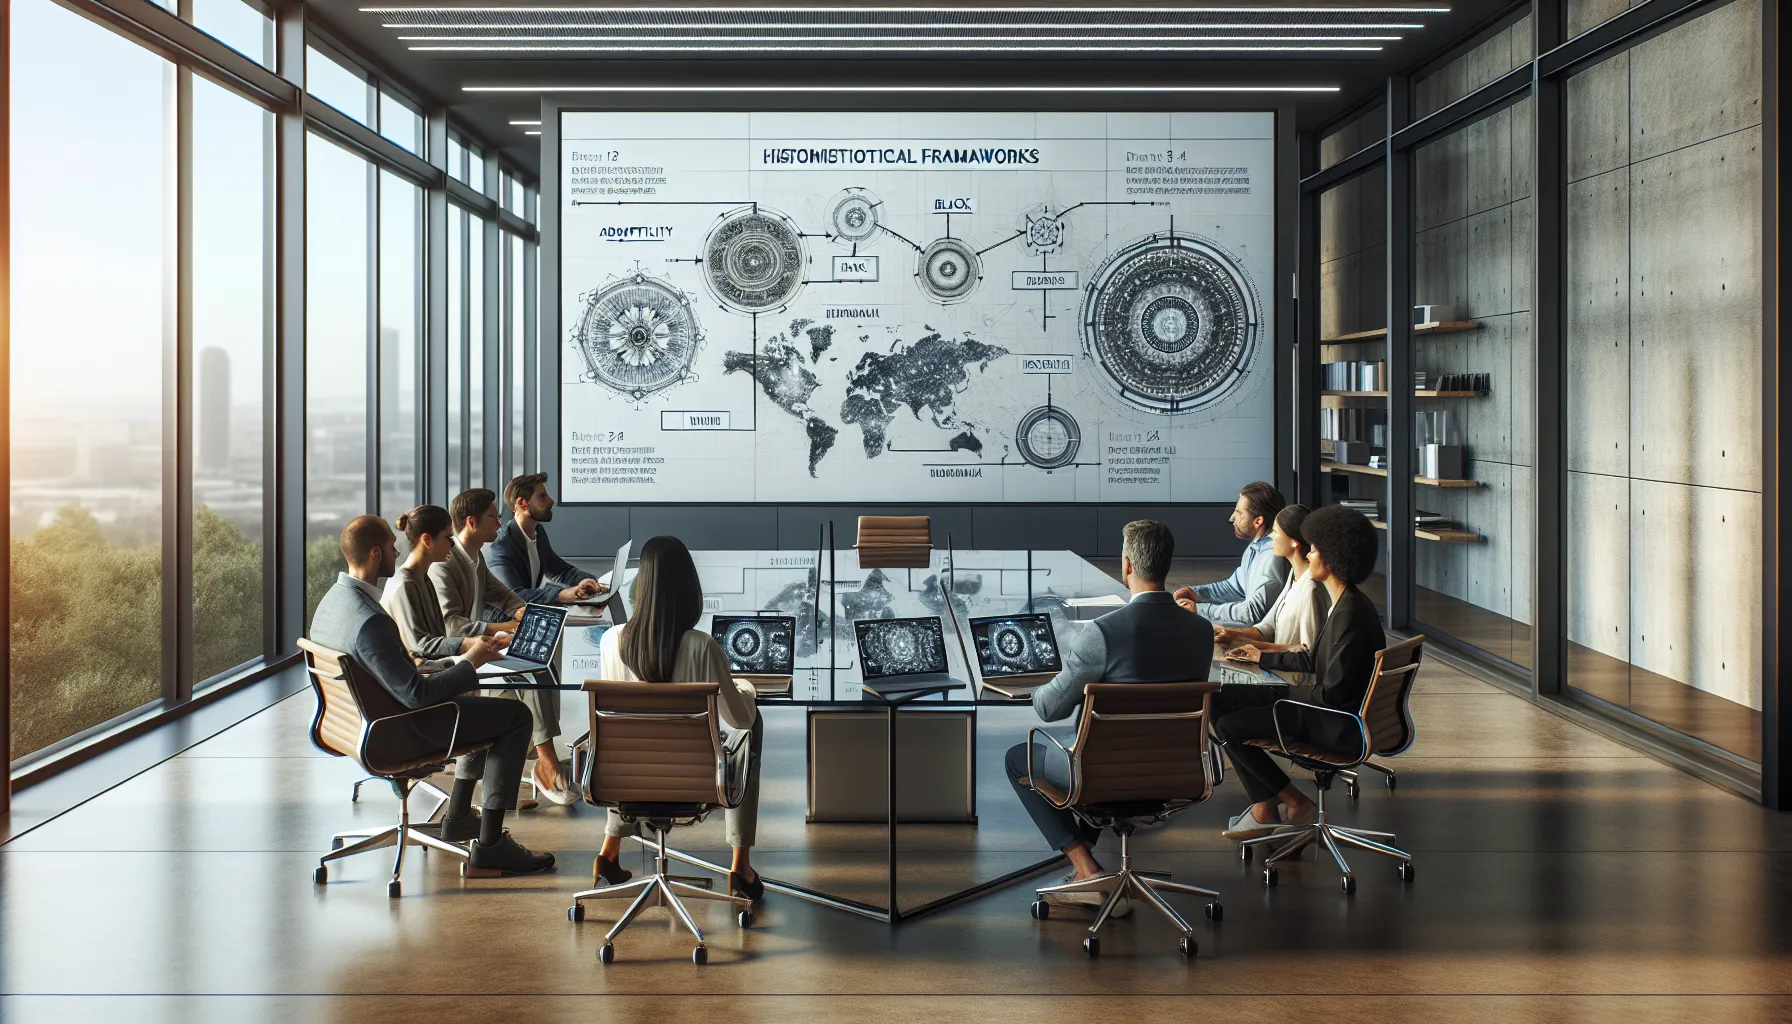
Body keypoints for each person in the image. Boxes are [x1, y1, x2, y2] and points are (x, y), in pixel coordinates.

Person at [308, 514, 555, 876]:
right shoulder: (370, 620)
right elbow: (417, 696)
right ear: (376, 554)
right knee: (516, 718)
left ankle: (457, 818)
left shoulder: (332, 603)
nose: (397, 550)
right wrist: (470, 661)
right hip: (395, 733)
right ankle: (490, 848)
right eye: (392, 547)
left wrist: (438, 665)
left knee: (482, 706)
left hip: (359, 726)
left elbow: (393, 674)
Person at [1004, 520, 1214, 917]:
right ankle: (1091, 870)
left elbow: (1050, 708)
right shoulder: (1201, 632)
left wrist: (1038, 684)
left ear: (1128, 566)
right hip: (1175, 775)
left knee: (1020, 757)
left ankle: (1086, 871)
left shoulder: (1102, 633)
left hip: (1106, 776)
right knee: (1093, 753)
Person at [590, 535, 766, 902]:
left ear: (641, 589)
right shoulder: (701, 646)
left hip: (624, 780)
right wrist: (745, 689)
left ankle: (609, 853)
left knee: (629, 743)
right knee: (754, 726)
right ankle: (740, 866)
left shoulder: (610, 641)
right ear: (689, 590)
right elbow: (740, 720)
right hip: (692, 781)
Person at [1211, 504, 1386, 840]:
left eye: (1316, 549)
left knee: (1229, 726)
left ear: (1332, 558)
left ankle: (1292, 801)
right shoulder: (1345, 602)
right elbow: (1310, 660)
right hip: (1326, 709)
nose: (1311, 555)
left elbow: (1330, 694)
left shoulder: (1348, 613)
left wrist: (1278, 695)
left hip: (1334, 724)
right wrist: (1260, 660)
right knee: (1219, 699)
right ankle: (1267, 804)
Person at [431, 488, 577, 806]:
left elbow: (504, 596)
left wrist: (526, 613)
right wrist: (510, 627)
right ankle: (546, 762)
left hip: (481, 651)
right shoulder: (442, 566)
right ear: (472, 522)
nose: (500, 521)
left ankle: (516, 777)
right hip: (455, 659)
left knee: (540, 646)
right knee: (529, 672)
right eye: (493, 516)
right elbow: (452, 627)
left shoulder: (474, 558)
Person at [382, 504, 508, 662]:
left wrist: (477, 642)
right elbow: (420, 646)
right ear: (427, 540)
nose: (453, 544)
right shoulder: (405, 584)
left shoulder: (423, 578)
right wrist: (468, 644)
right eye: (448, 537)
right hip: (422, 676)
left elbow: (436, 638)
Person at [1198, 504, 1329, 654]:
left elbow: (1307, 652)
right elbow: (1268, 627)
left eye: (1275, 532)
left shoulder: (1310, 589)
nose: (1271, 537)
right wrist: (1229, 633)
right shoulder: (1293, 575)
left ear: (1294, 542)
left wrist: (1253, 648)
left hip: (1290, 675)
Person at [1175, 481, 1289, 628]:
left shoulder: (1273, 557)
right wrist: (1196, 593)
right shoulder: (1255, 548)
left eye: (1239, 513)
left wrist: (1198, 609)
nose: (1231, 518)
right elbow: (1235, 587)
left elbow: (1251, 613)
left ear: (1258, 521)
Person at [486, 472, 606, 607]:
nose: (551, 501)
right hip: (503, 623)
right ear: (522, 503)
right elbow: (514, 595)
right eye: (542, 497)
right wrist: (563, 595)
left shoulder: (538, 532)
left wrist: (591, 583)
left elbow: (561, 571)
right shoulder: (501, 547)